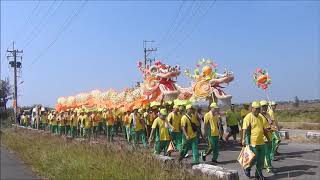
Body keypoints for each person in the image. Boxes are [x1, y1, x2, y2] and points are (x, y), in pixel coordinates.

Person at [242, 101, 270, 179]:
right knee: (254, 159)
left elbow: (263, 129)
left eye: (259, 109)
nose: (258, 110)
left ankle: (258, 175)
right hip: (252, 142)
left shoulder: (260, 117)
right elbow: (244, 129)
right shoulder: (248, 117)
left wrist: (268, 138)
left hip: (261, 142)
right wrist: (243, 139)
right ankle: (247, 168)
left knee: (260, 160)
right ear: (252, 108)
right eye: (256, 109)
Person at [260, 100, 273, 173]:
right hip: (263, 137)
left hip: (270, 135)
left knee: (268, 152)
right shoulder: (259, 116)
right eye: (263, 106)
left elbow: (271, 123)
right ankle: (269, 166)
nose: (265, 107)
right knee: (267, 153)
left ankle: (265, 165)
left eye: (266, 106)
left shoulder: (268, 114)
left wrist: (272, 126)